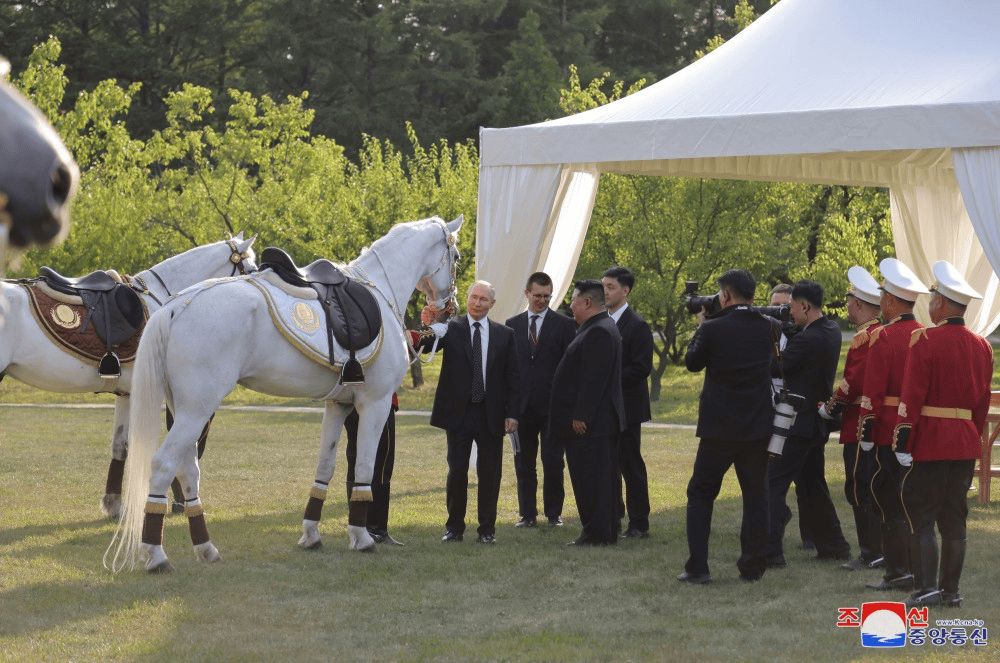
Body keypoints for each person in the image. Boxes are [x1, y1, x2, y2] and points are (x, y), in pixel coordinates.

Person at [895, 261, 992, 608]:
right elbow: (980, 407)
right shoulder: (983, 346)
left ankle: (925, 590)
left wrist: (902, 440)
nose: (930, 302)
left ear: (944, 304)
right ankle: (951, 592)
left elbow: (912, 396)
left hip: (932, 441)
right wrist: (972, 439)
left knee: (920, 517)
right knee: (954, 521)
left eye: (933, 295)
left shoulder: (925, 340)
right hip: (964, 441)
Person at [679, 269, 774, 584]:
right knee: (756, 497)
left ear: (725, 296)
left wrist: (702, 325)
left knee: (701, 493)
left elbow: (692, 363)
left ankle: (698, 568)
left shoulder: (714, 328)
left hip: (718, 429)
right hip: (757, 427)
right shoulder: (768, 327)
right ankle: (753, 566)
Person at [417, 280, 520, 544]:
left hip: (491, 414)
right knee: (457, 471)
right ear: (467, 298)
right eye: (473, 297)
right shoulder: (450, 328)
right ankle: (454, 528)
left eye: (483, 299)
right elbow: (425, 347)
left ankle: (487, 530)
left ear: (492, 304)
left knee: (489, 473)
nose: (477, 303)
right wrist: (429, 323)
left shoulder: (504, 335)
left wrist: (513, 413)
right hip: (458, 414)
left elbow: (514, 378)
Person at [765, 280, 852, 568]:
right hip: (814, 423)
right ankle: (834, 546)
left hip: (796, 423)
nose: (788, 313)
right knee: (813, 485)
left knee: (772, 483)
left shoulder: (807, 338)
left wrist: (772, 338)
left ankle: (770, 552)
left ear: (804, 306)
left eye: (791, 307)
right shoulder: (830, 330)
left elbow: (778, 366)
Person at [858, 258, 929, 591]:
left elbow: (872, 392)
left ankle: (897, 570)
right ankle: (915, 570)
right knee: (912, 500)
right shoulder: (925, 335)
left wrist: (866, 434)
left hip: (888, 431)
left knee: (887, 498)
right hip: (918, 432)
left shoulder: (883, 337)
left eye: (883, 294)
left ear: (891, 299)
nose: (881, 300)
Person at [549, 280, 625, 546]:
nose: (570, 305)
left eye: (573, 300)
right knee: (599, 478)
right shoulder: (598, 326)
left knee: (592, 479)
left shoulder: (599, 331)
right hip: (597, 422)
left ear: (588, 303)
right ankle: (600, 530)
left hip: (592, 425)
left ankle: (597, 533)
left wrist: (581, 415)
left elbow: (594, 379)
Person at [819, 266, 885, 570]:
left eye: (849, 302)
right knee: (875, 487)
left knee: (859, 488)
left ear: (858, 304)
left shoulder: (865, 338)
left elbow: (851, 384)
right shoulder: (882, 333)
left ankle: (871, 552)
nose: (846, 307)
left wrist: (828, 408)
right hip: (881, 422)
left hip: (860, 423)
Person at [505, 272, 576, 528]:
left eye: (547, 296)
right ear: (527, 294)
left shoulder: (565, 325)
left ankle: (554, 514)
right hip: (522, 409)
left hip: (552, 409)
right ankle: (527, 515)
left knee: (553, 462)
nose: (542, 301)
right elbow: (509, 371)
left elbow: (570, 370)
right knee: (524, 464)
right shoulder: (511, 325)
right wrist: (509, 411)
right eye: (537, 296)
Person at [602, 266, 654, 539]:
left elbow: (641, 368)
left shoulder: (637, 324)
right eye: (604, 286)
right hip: (604, 408)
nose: (605, 292)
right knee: (608, 464)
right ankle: (613, 515)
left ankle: (639, 523)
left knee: (630, 465)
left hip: (628, 408)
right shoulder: (601, 321)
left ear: (625, 290)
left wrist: (607, 378)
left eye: (610, 287)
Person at [769, 283, 814, 552]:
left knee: (805, 479)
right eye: (773, 307)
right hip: (769, 409)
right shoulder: (764, 332)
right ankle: (778, 517)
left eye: (784, 307)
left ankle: (809, 535)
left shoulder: (802, 334)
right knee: (769, 474)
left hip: (795, 412)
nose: (779, 313)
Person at [344, 393, 402, 545]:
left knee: (356, 459)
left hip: (350, 398)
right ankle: (376, 529)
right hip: (378, 397)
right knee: (382, 462)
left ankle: (359, 526)